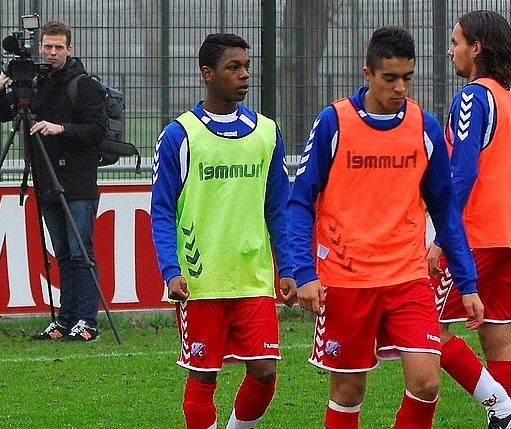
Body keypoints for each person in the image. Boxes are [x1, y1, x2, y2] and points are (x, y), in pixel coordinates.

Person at [288, 26, 484, 429]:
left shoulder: (424, 126)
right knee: (348, 392)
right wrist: (303, 272)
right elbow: (299, 201)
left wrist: (467, 283)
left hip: (406, 276)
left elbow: (445, 209)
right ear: (368, 73)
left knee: (427, 382)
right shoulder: (334, 122)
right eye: (390, 78)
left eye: (407, 78)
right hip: (346, 278)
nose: (400, 87)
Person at [151, 33, 297, 429]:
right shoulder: (180, 135)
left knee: (265, 372)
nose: (244, 74)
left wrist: (287, 268)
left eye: (247, 66)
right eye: (233, 68)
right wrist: (171, 269)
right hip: (201, 281)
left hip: (253, 278)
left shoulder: (266, 132)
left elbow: (278, 210)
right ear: (208, 74)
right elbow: (161, 211)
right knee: (204, 376)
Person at [0, 21, 107, 341]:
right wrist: (1, 83)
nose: (52, 53)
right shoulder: (34, 84)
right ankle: (65, 319)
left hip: (77, 181)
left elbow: (97, 131)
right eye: (47, 47)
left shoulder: (84, 86)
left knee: (81, 251)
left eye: (58, 47)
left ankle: (87, 320)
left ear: (70, 49)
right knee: (63, 252)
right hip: (46, 179)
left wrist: (59, 128)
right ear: (39, 48)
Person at [427, 10, 511, 428]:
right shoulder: (509, 97)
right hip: (508, 237)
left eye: (456, 42)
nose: (450, 50)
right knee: (497, 330)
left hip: (476, 235)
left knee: (423, 326)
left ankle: (502, 404)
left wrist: (444, 235)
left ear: (476, 48)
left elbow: (463, 171)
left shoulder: (473, 97)